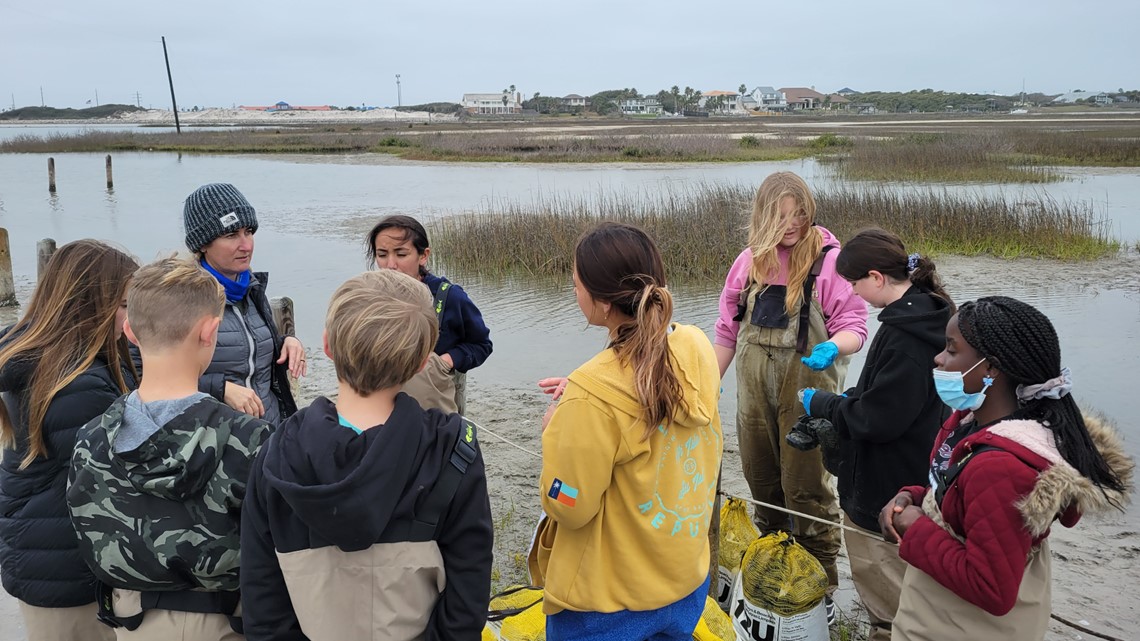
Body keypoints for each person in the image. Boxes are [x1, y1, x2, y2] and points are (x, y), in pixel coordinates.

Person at [239, 269, 493, 641]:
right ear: (424, 361)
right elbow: (468, 594)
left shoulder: (278, 451)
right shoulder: (451, 450)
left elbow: (262, 597)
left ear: (326, 346)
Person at [879, 296, 1131, 641]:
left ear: (991, 369)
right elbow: (959, 498)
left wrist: (915, 529)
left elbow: (992, 589)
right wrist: (915, 496)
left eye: (952, 351)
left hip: (962, 628)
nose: (938, 358)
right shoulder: (969, 423)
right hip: (937, 609)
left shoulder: (1000, 466)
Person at [533, 222, 723, 641]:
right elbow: (651, 393)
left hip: (607, 605)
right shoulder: (696, 347)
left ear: (601, 304)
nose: (574, 293)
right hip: (686, 583)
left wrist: (556, 430)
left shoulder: (591, 394)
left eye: (577, 284)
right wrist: (585, 396)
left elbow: (568, 504)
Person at [68, 258, 273, 640]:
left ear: (130, 332)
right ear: (210, 331)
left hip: (132, 620)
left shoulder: (91, 437)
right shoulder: (250, 439)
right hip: (226, 620)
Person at [712, 171, 867, 613]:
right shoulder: (748, 263)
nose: (792, 223)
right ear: (763, 216)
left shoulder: (830, 262)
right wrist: (706, 385)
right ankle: (774, 577)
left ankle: (823, 594)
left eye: (799, 212)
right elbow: (726, 332)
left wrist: (834, 346)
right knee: (762, 484)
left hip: (809, 398)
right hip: (753, 400)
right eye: (780, 215)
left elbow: (855, 327)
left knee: (808, 491)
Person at [793, 228, 953, 641]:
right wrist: (850, 396)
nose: (854, 293)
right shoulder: (924, 315)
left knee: (890, 607)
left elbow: (876, 419)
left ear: (877, 278)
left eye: (855, 283)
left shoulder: (905, 337)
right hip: (912, 476)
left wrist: (825, 403)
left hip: (884, 492)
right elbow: (885, 396)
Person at [0, 239, 138, 641]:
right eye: (125, 305)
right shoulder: (79, 388)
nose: (131, 318)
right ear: (90, 304)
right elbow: (121, 485)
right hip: (66, 573)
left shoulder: (37, 356)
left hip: (37, 555)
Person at [182, 183, 302, 425]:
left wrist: (286, 342)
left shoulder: (252, 289)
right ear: (202, 244)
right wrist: (220, 388)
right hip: (216, 443)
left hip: (268, 433)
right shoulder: (180, 298)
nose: (246, 245)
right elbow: (145, 374)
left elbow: (250, 348)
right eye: (231, 235)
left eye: (248, 232)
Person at [366, 214, 492, 414]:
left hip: (438, 413)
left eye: (401, 254)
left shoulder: (450, 298)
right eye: (382, 255)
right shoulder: (368, 299)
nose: (390, 264)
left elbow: (481, 345)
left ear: (423, 255)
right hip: (381, 409)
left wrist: (444, 362)